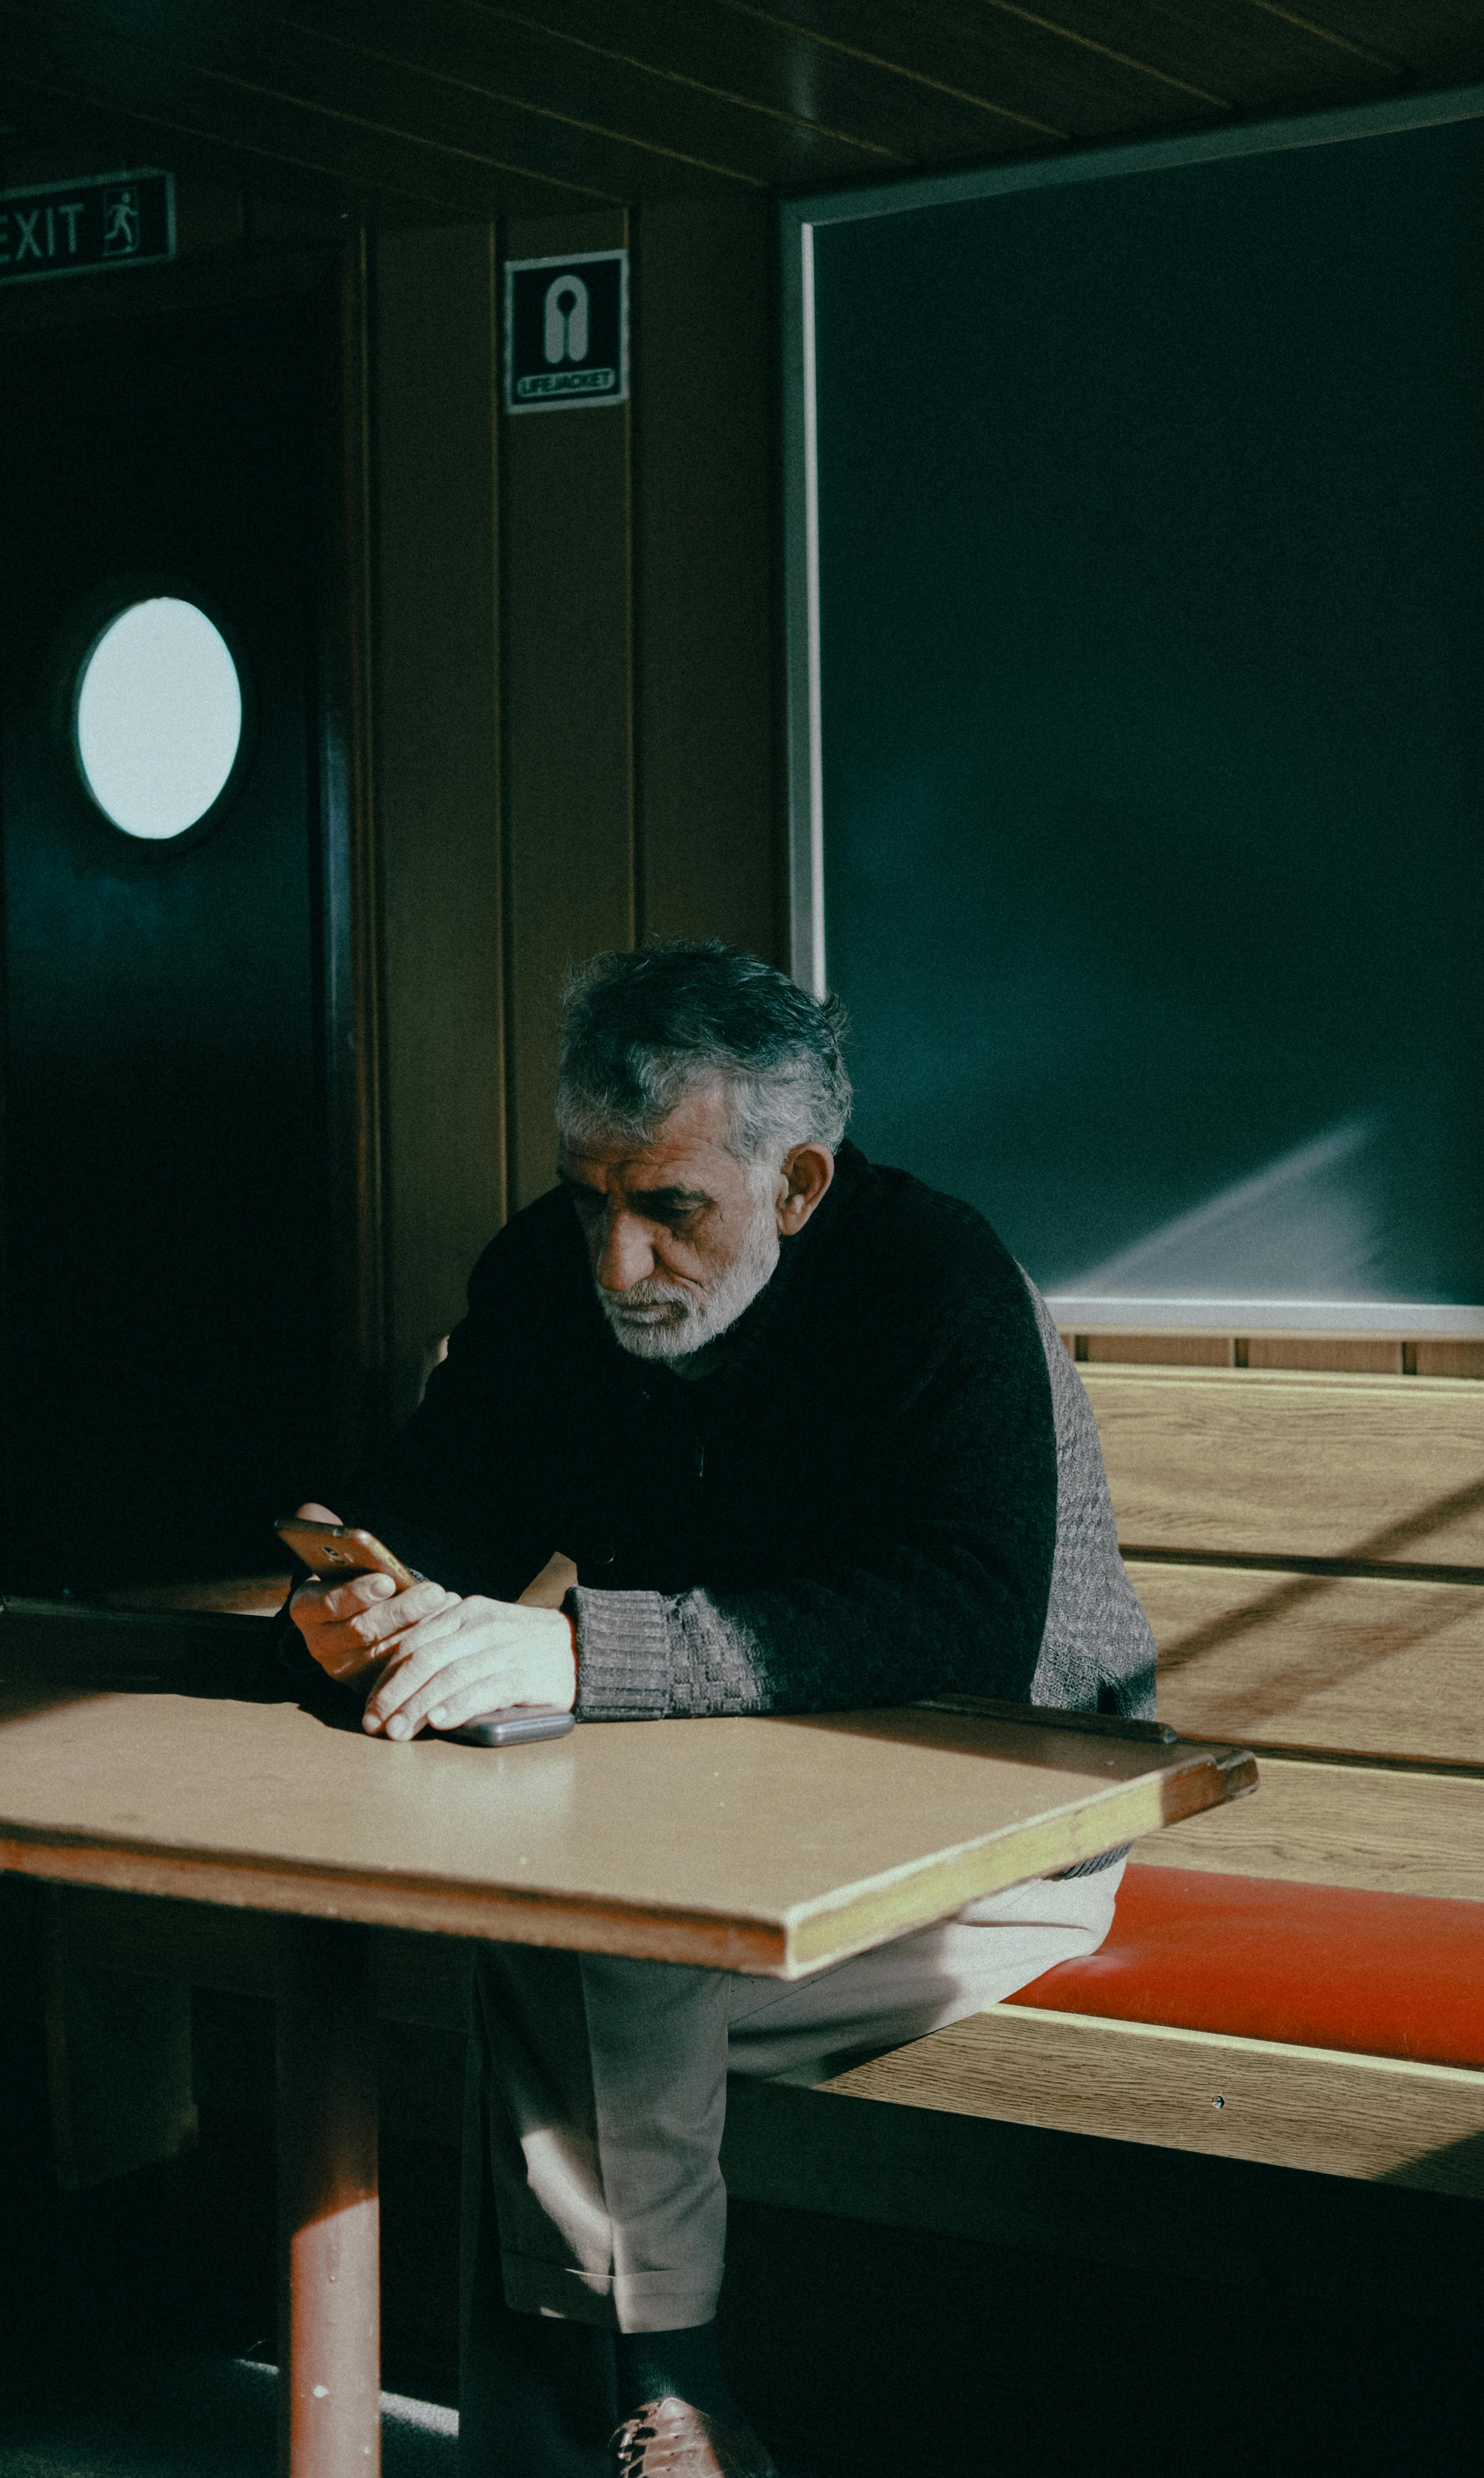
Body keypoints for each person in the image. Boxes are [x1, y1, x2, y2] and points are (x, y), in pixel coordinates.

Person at [287, 941, 1155, 2478]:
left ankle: (644, 2403)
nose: (615, 1262)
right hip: (691, 1835)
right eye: (586, 1198)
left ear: (799, 1185)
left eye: (669, 1208)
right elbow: (445, 1499)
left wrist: (584, 1655)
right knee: (580, 1945)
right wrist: (362, 1585)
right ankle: (658, 2413)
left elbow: (959, 1622)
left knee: (588, 1956)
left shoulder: (942, 1287)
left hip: (994, 1845)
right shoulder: (552, 1283)